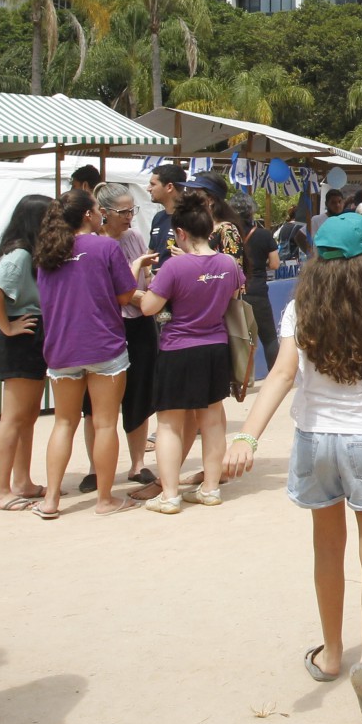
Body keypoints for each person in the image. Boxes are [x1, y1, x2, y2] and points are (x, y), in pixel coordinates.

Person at [233, 212, 362, 724]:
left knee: (327, 548)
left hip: (315, 439)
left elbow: (282, 374)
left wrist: (247, 436)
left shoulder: (299, 309)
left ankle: (334, 653)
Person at [32, 189, 149, 519]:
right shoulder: (105, 247)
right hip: (103, 344)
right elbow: (126, 295)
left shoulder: (48, 252)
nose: (101, 214)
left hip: (61, 347)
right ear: (87, 214)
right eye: (98, 209)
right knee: (105, 424)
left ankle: (52, 499)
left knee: (63, 423)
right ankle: (104, 499)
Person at [137, 192, 246, 513]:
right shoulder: (228, 263)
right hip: (215, 348)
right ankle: (210, 489)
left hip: (178, 348)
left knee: (169, 424)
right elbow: (236, 293)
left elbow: (147, 307)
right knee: (212, 421)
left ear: (181, 233)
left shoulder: (175, 266)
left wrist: (142, 275)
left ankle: (169, 494)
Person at [0, 194, 53, 510]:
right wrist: (7, 326)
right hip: (21, 338)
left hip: (31, 336)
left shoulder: (27, 253)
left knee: (27, 416)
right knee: (13, 418)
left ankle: (22, 481)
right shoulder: (20, 253)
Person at [96, 182, 157, 488]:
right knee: (96, 402)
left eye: (132, 210)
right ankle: (97, 469)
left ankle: (138, 464)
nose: (129, 217)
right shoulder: (94, 243)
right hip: (108, 326)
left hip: (139, 324)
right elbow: (112, 290)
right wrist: (137, 297)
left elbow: (143, 281)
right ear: (103, 213)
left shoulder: (134, 237)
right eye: (122, 211)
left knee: (139, 394)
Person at [232, 192, 281, 371]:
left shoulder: (228, 235)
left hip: (234, 291)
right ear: (251, 212)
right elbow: (275, 264)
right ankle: (274, 373)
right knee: (268, 337)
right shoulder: (264, 235)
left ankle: (236, 381)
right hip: (258, 289)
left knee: (237, 338)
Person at [146, 162, 189, 264]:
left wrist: (188, 257)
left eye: (153, 184)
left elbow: (204, 256)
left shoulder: (192, 218)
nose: (148, 189)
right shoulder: (158, 217)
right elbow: (151, 254)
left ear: (169, 187)